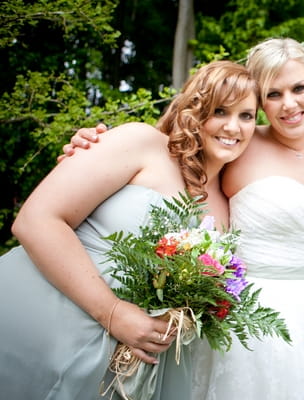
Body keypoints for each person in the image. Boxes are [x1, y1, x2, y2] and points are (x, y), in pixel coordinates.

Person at [59, 38, 304, 400]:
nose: (289, 103)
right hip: (251, 316)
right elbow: (176, 154)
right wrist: (87, 149)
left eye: (299, 88)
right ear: (259, 100)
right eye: (273, 94)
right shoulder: (241, 146)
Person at [0, 60, 259, 400]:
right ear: (195, 110)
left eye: (247, 116)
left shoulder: (226, 205)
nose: (233, 127)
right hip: (42, 321)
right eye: (220, 111)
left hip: (120, 370)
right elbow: (36, 220)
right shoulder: (142, 143)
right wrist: (113, 313)